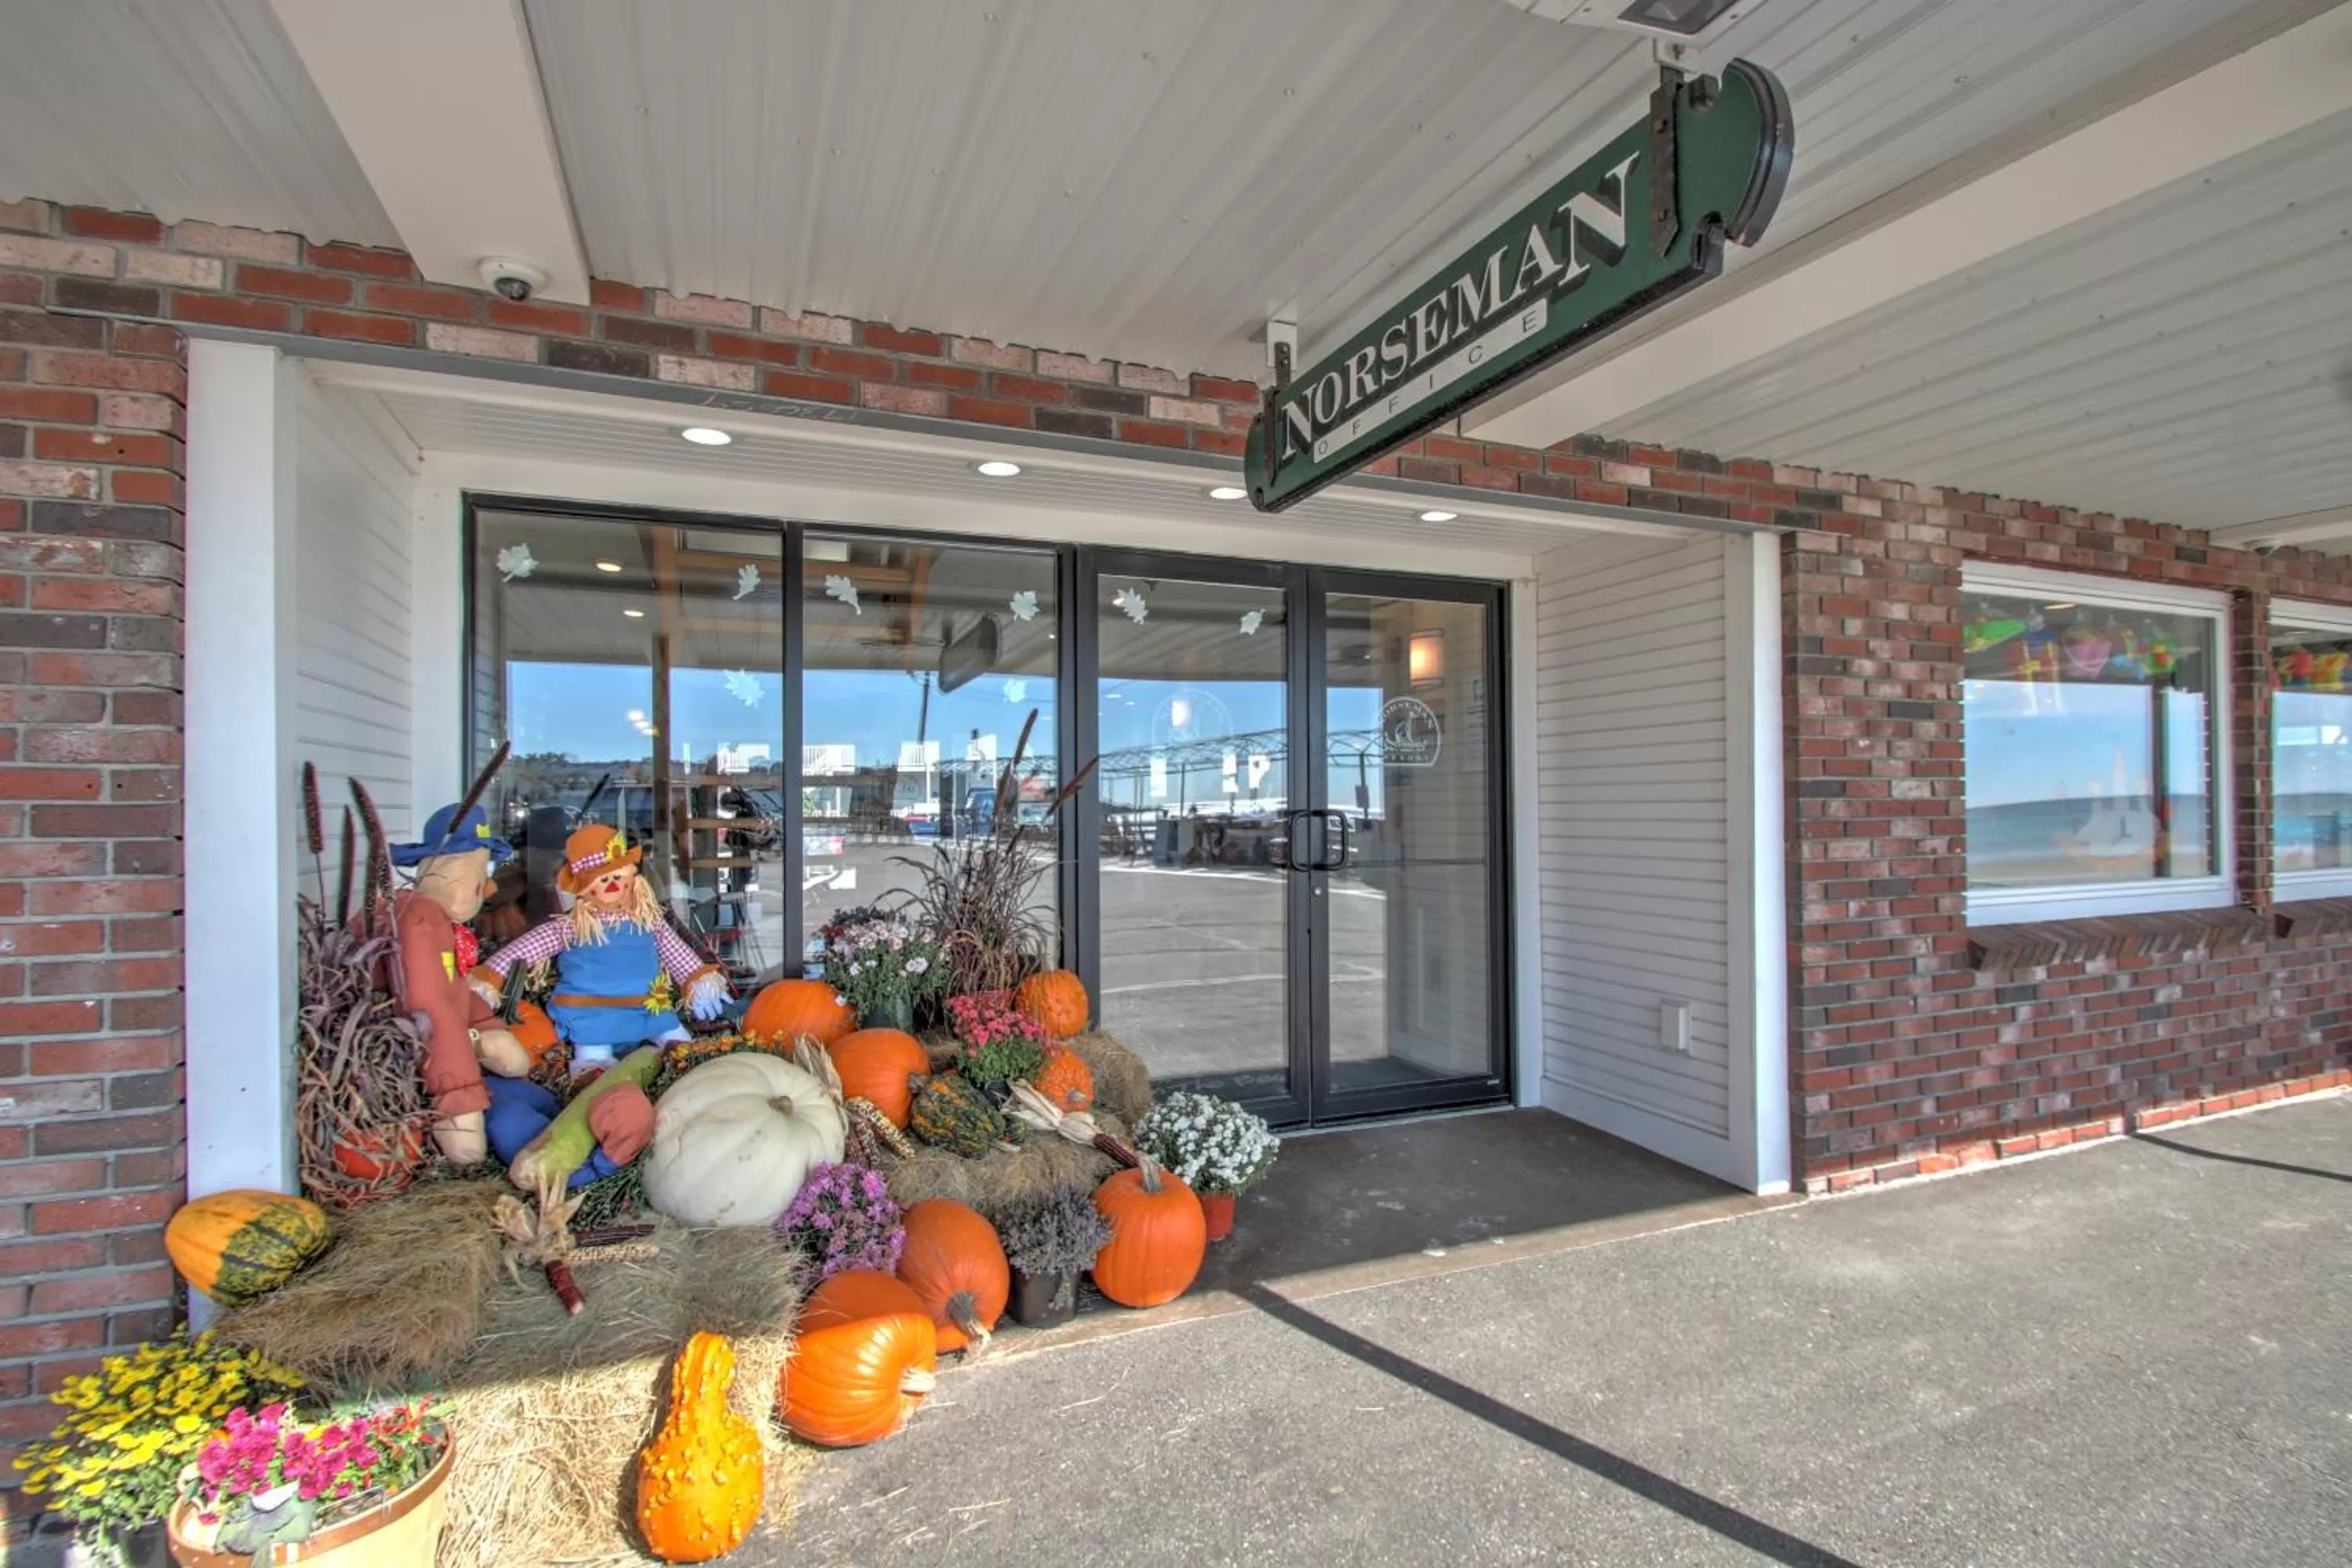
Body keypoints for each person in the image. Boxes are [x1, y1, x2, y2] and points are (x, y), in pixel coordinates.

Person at [467, 824, 728, 1185]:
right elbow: (526, 950)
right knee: (594, 1063)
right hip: (593, 1016)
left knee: (684, 1049)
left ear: (632, 876)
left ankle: (693, 1081)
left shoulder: (648, 921)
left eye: (617, 877)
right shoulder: (573, 926)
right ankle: (595, 1087)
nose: (611, 886)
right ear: (584, 887)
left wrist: (697, 980)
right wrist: (490, 978)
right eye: (601, 880)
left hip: (649, 1010)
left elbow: (676, 953)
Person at [389, 803, 532, 1164]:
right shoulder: (419, 924)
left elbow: (456, 991)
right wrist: (460, 1095)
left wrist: (486, 1027)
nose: (488, 888)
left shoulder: (440, 923)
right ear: (444, 871)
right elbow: (432, 1013)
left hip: (446, 1036)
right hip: (418, 1054)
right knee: (485, 1137)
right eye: (478, 875)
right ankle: (456, 1130)